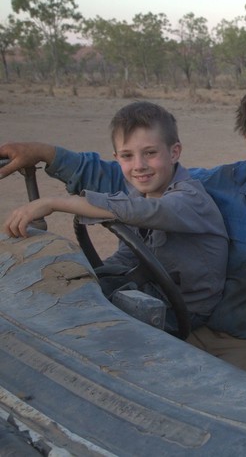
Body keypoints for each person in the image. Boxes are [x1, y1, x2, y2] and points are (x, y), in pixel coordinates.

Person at [0, 80, 246, 395]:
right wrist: (48, 154)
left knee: (201, 397)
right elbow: (133, 178)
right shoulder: (220, 184)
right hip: (197, 330)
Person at [2, 101, 228, 331]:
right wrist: (88, 276)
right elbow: (128, 256)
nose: (139, 165)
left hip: (183, 311)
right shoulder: (139, 194)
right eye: (127, 156)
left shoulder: (190, 199)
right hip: (147, 290)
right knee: (56, 291)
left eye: (150, 153)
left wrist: (54, 203)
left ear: (174, 152)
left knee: (81, 324)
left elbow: (143, 211)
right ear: (117, 157)